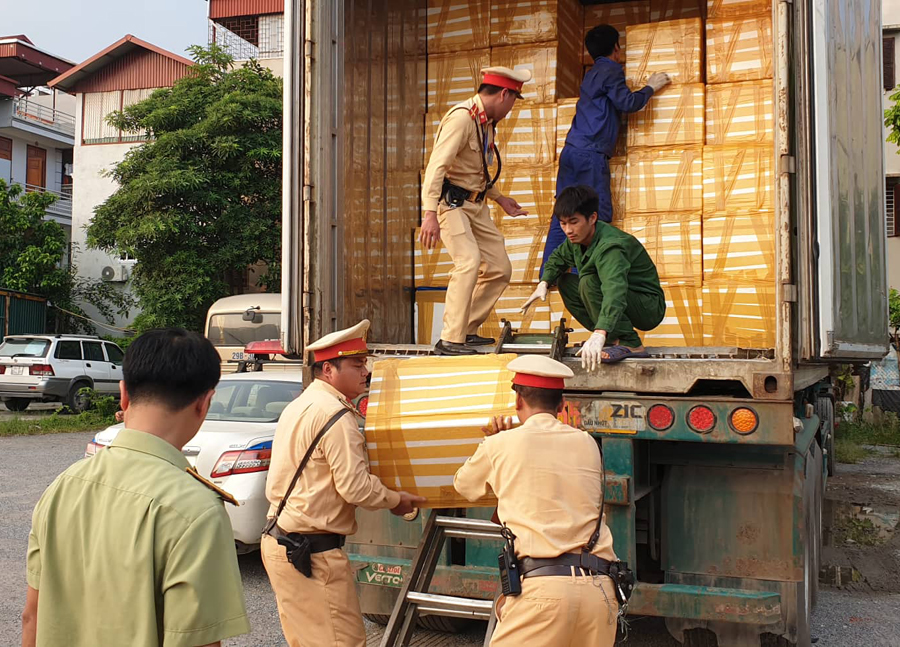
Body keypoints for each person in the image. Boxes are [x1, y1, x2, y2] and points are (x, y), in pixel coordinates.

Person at [22, 329, 249, 647]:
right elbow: (195, 641)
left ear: (123, 394)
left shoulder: (62, 486)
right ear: (205, 403)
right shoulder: (196, 510)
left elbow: (32, 615)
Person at [261, 319, 426, 647]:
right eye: (357, 364)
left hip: (281, 541)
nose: (365, 372)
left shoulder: (301, 405)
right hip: (312, 553)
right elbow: (355, 487)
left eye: (364, 364)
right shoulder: (337, 417)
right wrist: (396, 500)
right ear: (328, 370)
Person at [454, 355, 619, 646]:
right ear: (561, 403)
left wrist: (493, 442)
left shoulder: (500, 444)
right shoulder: (587, 443)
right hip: (599, 590)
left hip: (543, 591)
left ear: (518, 401)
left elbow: (464, 486)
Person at [420, 66, 532, 356]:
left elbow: (476, 169)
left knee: (499, 268)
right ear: (504, 94)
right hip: (451, 204)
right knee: (468, 260)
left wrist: (499, 198)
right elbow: (436, 168)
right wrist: (429, 213)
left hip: (475, 203)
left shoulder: (486, 122)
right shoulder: (461, 119)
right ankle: (450, 340)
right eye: (513, 100)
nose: (511, 109)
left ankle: (466, 329)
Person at [541, 24, 671, 271]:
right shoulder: (611, 69)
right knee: (595, 214)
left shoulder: (591, 74)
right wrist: (651, 87)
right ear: (617, 49)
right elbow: (627, 102)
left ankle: (548, 276)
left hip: (571, 151)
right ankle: (585, 276)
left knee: (564, 212)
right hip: (590, 155)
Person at [523, 185, 666, 370]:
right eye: (563, 223)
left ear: (592, 218)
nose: (568, 230)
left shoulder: (610, 247)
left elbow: (614, 291)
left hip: (647, 306)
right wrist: (544, 282)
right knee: (566, 282)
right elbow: (558, 258)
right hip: (623, 299)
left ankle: (631, 343)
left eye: (574, 222)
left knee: (589, 281)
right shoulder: (577, 239)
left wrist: (599, 332)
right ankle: (614, 340)